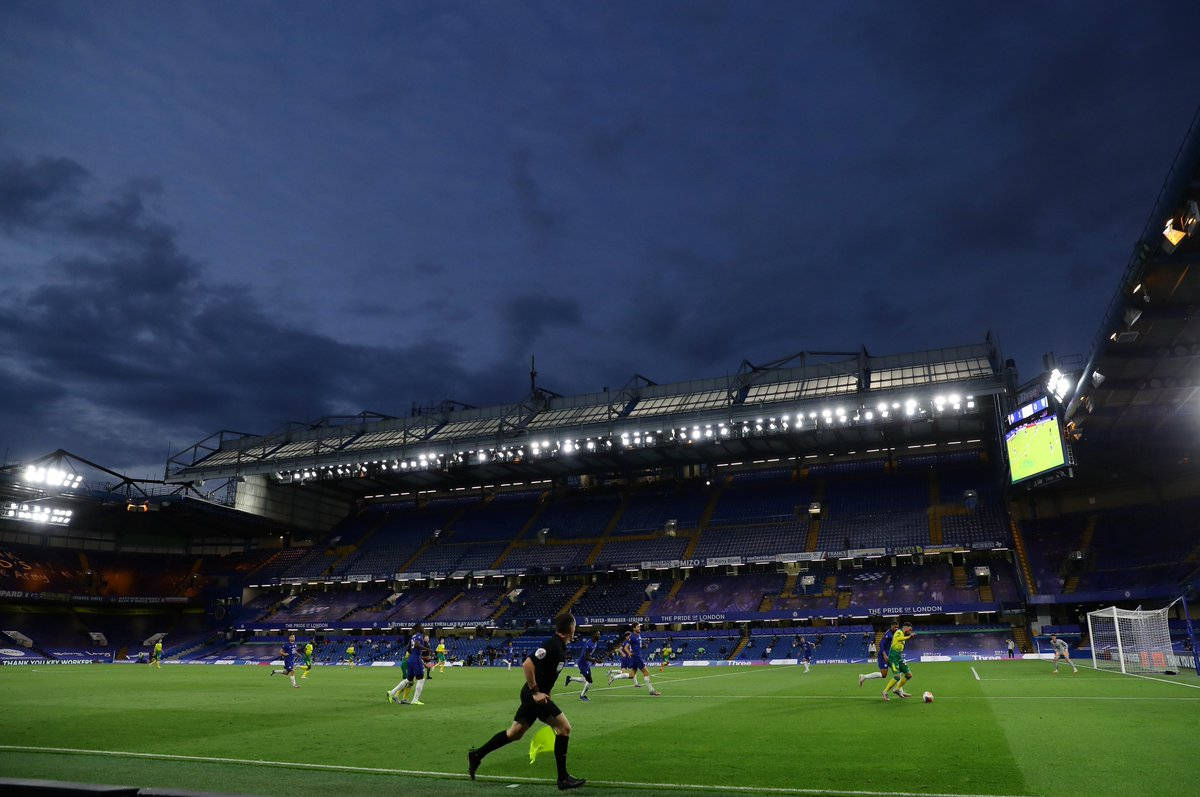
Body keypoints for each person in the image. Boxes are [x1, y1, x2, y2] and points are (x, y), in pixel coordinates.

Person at [467, 613, 585, 790]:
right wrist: (536, 692)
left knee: (515, 733)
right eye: (574, 625)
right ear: (569, 628)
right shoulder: (551, 644)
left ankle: (477, 755)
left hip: (536, 696)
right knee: (564, 728)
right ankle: (563, 779)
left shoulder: (560, 646)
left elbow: (548, 674)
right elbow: (528, 664)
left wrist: (546, 691)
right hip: (533, 696)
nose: (575, 628)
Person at [608, 622, 660, 696]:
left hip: (636, 657)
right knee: (646, 673)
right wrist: (629, 653)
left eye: (639, 627)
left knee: (631, 675)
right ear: (634, 628)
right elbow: (625, 647)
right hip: (637, 657)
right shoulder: (632, 636)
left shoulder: (638, 635)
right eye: (638, 627)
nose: (639, 628)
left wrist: (634, 651)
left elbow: (631, 646)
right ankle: (651, 691)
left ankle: (614, 677)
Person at [388, 624, 430, 705]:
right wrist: (428, 649)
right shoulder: (419, 636)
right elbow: (417, 645)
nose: (424, 629)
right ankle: (415, 700)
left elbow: (409, 649)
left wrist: (415, 655)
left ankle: (392, 692)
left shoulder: (412, 637)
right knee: (420, 679)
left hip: (411, 659)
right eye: (423, 627)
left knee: (409, 680)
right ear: (419, 628)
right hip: (415, 660)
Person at [882, 623, 915, 701]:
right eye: (910, 629)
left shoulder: (903, 634)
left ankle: (897, 689)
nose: (910, 631)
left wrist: (908, 636)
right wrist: (909, 637)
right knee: (897, 676)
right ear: (906, 628)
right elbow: (898, 639)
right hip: (893, 657)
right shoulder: (899, 632)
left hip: (899, 657)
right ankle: (885, 692)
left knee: (909, 675)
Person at [859, 622, 899, 687]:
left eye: (897, 627)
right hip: (883, 655)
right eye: (895, 627)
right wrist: (884, 655)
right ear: (891, 626)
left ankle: (899, 690)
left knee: (896, 671)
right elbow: (881, 644)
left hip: (889, 654)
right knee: (884, 674)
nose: (896, 628)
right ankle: (864, 677)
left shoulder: (893, 633)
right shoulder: (888, 634)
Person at [565, 631, 600, 701]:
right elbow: (586, 657)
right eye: (597, 634)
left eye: (599, 634)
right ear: (593, 635)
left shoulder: (595, 642)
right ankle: (582, 696)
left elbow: (589, 655)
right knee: (589, 681)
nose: (599, 636)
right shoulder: (589, 644)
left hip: (586, 663)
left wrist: (594, 660)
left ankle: (570, 678)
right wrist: (595, 660)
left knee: (585, 680)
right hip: (582, 663)